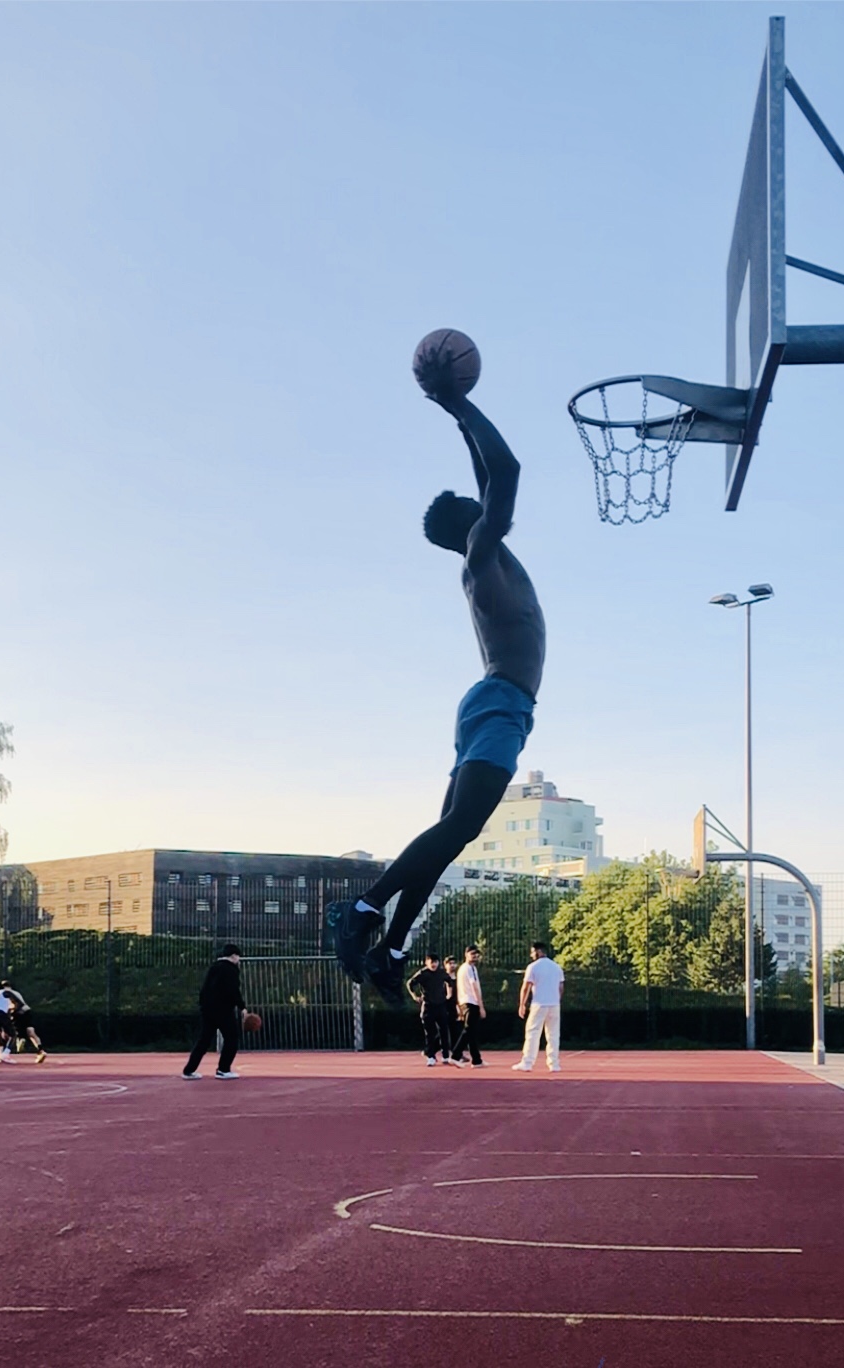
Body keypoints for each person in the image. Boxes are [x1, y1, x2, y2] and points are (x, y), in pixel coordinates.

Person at [326, 362, 546, 1007]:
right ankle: (363, 912)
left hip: (490, 701)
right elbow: (505, 473)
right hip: (502, 700)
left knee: (452, 831)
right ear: (471, 521)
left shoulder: (486, 552)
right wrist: (458, 404)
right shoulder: (483, 551)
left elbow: (486, 476)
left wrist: (455, 414)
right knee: (459, 830)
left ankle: (391, 951)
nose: (486, 500)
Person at [182, 944, 249, 1080]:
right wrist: (242, 1006)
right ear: (234, 956)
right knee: (232, 1039)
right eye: (238, 957)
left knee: (204, 1040)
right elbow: (233, 990)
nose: (239, 960)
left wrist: (203, 1006)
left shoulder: (214, 967)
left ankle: (189, 1070)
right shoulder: (231, 969)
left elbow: (205, 989)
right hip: (223, 1010)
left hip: (207, 1009)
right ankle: (223, 1069)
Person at [512, 941, 565, 1073]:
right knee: (553, 1034)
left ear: (538, 951)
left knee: (532, 1033)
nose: (531, 955)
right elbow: (561, 987)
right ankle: (554, 1064)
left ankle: (527, 1062)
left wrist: (522, 1004)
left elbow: (526, 987)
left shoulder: (533, 967)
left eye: (532, 952)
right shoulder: (556, 967)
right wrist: (556, 999)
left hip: (539, 1004)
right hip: (554, 1004)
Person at [407, 950, 459, 1067]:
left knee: (444, 1031)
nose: (433, 964)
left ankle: (445, 1056)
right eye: (431, 962)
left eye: (435, 962)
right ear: (427, 962)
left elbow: (450, 982)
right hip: (428, 1006)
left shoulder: (441, 973)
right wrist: (415, 996)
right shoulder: (423, 974)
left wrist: (449, 994)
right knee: (429, 1033)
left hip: (441, 1005)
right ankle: (431, 1056)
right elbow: (410, 983)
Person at [451, 945, 488, 1068]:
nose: (475, 957)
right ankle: (455, 1055)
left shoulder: (464, 969)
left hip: (465, 1002)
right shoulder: (469, 969)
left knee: (471, 1031)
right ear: (466, 954)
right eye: (473, 954)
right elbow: (474, 987)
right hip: (471, 1002)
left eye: (477, 955)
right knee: (468, 1030)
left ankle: (476, 1060)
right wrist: (481, 1006)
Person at [1, 981, 47, 1064]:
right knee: (31, 1031)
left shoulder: (5, 993)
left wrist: (9, 1011)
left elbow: (15, 1005)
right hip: (27, 1011)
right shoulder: (16, 992)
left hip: (17, 1012)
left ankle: (20, 1040)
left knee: (12, 1031)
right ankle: (41, 1050)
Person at [443, 955, 461, 1056]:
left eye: (454, 963)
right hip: (444, 1007)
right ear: (445, 965)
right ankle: (430, 1050)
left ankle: (456, 1053)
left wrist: (459, 1005)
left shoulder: (458, 978)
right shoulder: (442, 978)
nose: (452, 965)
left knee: (455, 1030)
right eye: (450, 963)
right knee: (444, 1030)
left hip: (454, 1006)